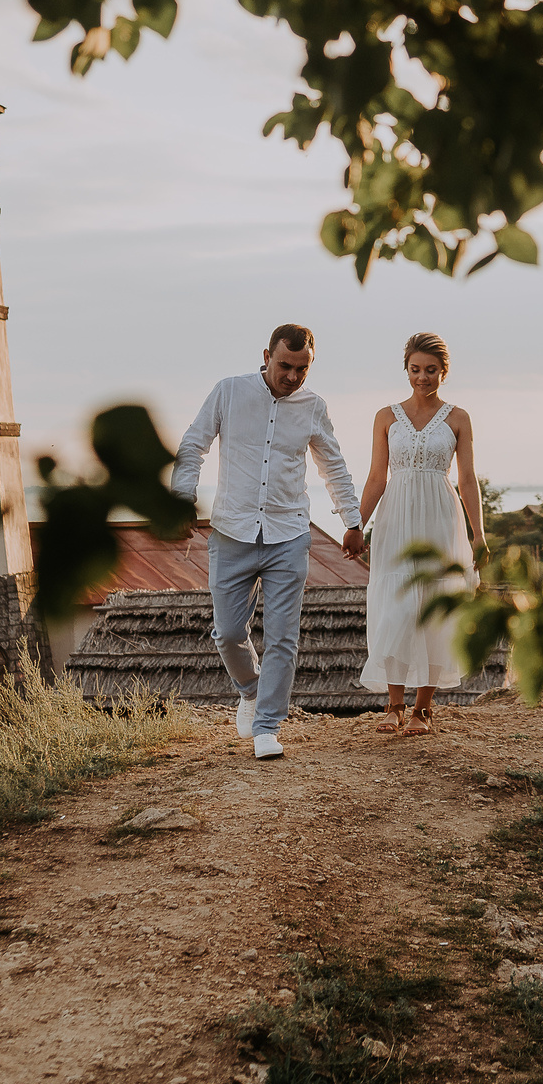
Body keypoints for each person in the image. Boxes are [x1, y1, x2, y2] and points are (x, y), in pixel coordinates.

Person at [171, 323, 365, 761]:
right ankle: (251, 689)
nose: (293, 377)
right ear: (266, 355)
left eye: (302, 369)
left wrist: (351, 520)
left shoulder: (314, 406)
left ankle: (267, 726)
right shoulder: (229, 391)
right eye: (285, 366)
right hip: (232, 530)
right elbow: (193, 445)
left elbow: (332, 465)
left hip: (289, 533)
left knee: (282, 637)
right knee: (227, 632)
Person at [356, 331, 484, 736]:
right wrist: (356, 525)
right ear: (406, 369)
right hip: (395, 516)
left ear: (444, 372)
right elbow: (377, 476)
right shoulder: (386, 416)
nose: (422, 377)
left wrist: (478, 534)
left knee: (434, 604)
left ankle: (422, 710)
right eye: (415, 369)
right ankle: (394, 705)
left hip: (439, 517)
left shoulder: (459, 417)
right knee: (395, 604)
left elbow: (467, 479)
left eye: (431, 370)